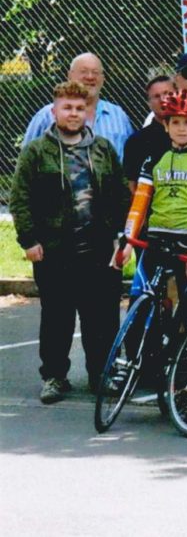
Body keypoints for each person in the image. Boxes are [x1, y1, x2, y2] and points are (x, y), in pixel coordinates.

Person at [11, 81, 130, 403]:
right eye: (67, 107)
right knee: (57, 318)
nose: (74, 113)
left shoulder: (103, 148)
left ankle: (99, 374)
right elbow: (20, 198)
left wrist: (123, 236)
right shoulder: (37, 151)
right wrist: (29, 239)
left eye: (80, 108)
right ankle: (54, 376)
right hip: (54, 249)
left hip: (99, 248)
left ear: (87, 113)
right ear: (55, 111)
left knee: (101, 318)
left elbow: (121, 195)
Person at [119, 89, 187, 317]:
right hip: (155, 239)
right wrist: (128, 242)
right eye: (175, 122)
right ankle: (143, 349)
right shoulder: (153, 160)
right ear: (166, 126)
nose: (181, 128)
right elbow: (139, 205)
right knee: (139, 302)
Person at [22, 53, 133, 160]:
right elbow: (26, 159)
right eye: (83, 71)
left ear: (103, 79)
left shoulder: (118, 116)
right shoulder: (46, 115)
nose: (90, 77)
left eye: (95, 72)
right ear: (69, 75)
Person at [123, 75, 175, 192]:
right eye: (156, 96)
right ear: (149, 103)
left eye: (168, 93)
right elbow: (132, 185)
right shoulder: (136, 142)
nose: (163, 99)